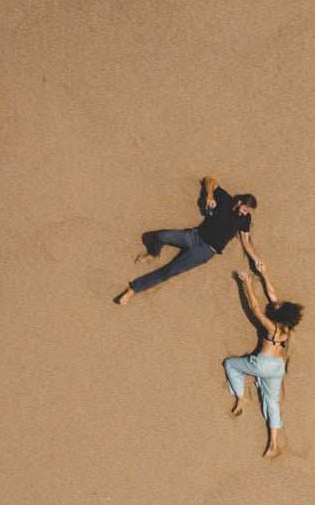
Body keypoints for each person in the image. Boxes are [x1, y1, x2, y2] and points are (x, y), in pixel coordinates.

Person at [114, 178, 258, 303]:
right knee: (161, 236)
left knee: (169, 270)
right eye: (244, 209)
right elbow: (209, 180)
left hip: (204, 251)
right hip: (194, 235)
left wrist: (256, 259)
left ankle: (133, 289)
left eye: (247, 212)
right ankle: (154, 253)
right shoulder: (226, 199)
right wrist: (209, 196)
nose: (244, 213)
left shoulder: (245, 219)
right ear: (239, 202)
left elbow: (246, 240)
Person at [224, 251, 303, 459]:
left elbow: (255, 307)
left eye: (280, 306)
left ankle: (240, 398)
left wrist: (247, 284)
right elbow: (273, 296)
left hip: (263, 364)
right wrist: (264, 275)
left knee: (231, 365)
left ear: (281, 313)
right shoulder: (286, 329)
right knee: (272, 402)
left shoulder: (271, 327)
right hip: (277, 367)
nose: (278, 302)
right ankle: (272, 444)